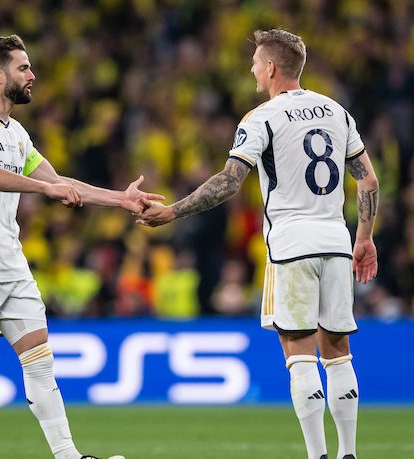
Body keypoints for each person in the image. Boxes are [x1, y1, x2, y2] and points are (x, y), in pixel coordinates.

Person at [0, 34, 161, 459]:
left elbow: (60, 183)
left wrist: (122, 199)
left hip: (11, 263)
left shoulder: (17, 133)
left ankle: (68, 455)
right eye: (23, 68)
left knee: (40, 360)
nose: (32, 75)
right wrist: (43, 189)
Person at [137, 28, 379, 459]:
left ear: (270, 67)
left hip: (291, 245)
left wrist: (172, 212)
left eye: (254, 64)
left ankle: (317, 455)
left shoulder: (261, 118)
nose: (251, 71)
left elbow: (230, 182)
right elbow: (369, 181)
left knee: (300, 354)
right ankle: (348, 453)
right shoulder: (337, 112)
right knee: (338, 353)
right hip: (336, 242)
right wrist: (365, 239)